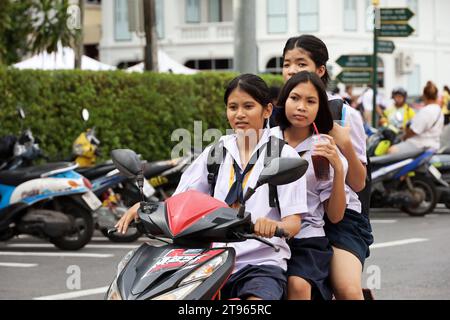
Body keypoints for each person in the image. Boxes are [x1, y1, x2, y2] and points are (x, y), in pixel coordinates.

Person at [115, 74, 309, 300]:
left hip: (260, 262)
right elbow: (182, 201)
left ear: (267, 110)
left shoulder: (282, 155)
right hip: (212, 260)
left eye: (248, 106)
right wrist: (145, 208)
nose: (239, 114)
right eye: (232, 107)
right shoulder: (216, 152)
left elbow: (293, 224)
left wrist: (272, 226)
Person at [281, 35, 373, 300]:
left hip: (340, 218)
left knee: (346, 288)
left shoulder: (344, 115)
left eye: (301, 63)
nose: (292, 70)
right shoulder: (277, 113)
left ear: (320, 70)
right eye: (287, 63)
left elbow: (358, 183)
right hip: (294, 214)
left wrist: (343, 148)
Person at [272, 71, 349, 300]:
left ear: (319, 108)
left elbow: (335, 216)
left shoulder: (323, 149)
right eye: (295, 98)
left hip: (307, 240)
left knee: (297, 285)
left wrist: (339, 169)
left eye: (310, 101)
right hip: (266, 235)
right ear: (284, 100)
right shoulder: (264, 141)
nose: (301, 107)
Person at [388, 81, 444, 154]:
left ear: (424, 96)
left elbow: (414, 131)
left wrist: (403, 137)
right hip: (433, 144)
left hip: (420, 144)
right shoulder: (439, 110)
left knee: (392, 150)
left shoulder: (425, 111)